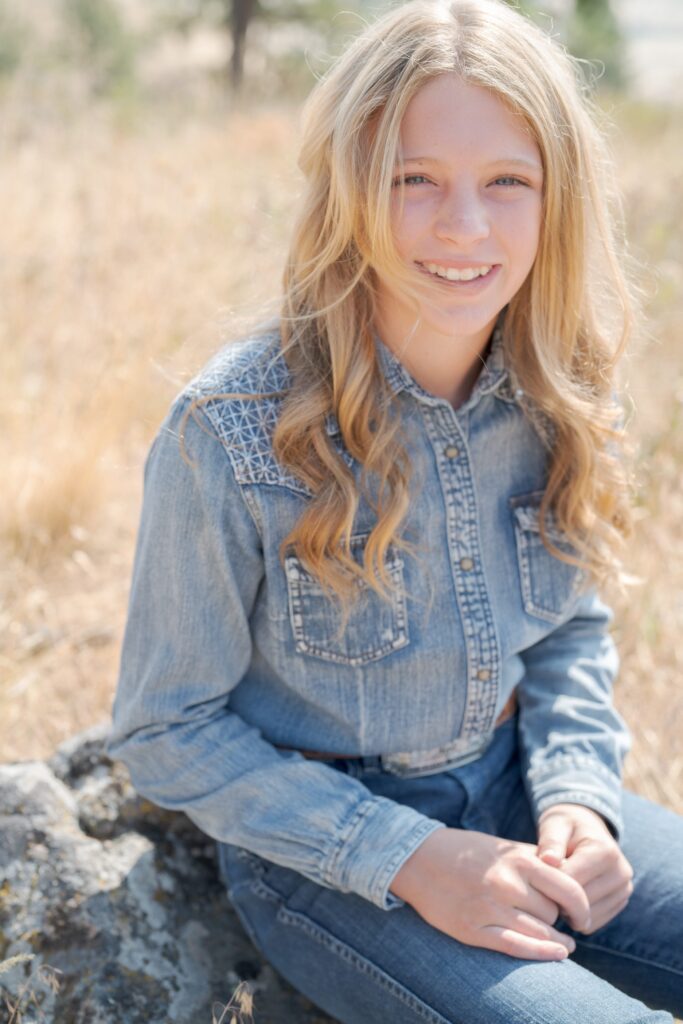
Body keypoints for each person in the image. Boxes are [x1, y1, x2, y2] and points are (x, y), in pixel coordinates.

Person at [108, 1, 683, 1020]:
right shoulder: (231, 429)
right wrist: (409, 857)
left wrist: (579, 800)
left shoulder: (554, 391)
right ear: (348, 191)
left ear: (558, 201)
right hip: (328, 861)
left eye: (507, 182)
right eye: (411, 180)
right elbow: (165, 726)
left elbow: (567, 633)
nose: (462, 227)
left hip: (517, 792)